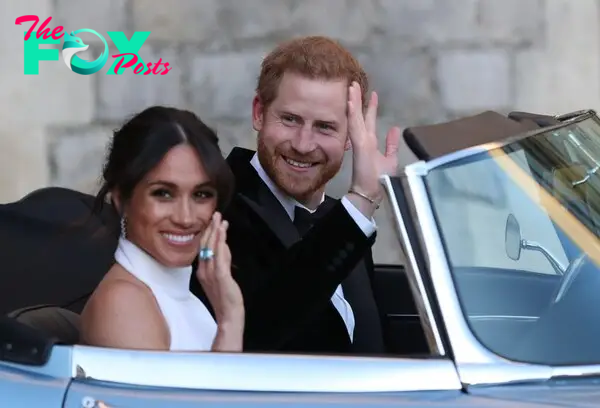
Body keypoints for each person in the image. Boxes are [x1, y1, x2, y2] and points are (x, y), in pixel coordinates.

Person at [191, 36, 400, 354]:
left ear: (350, 136)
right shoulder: (214, 206)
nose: (303, 144)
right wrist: (361, 201)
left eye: (325, 127)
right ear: (259, 113)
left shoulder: (341, 219)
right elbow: (262, 333)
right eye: (290, 120)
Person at [80, 106, 245, 352]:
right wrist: (230, 321)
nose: (186, 218)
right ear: (120, 200)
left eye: (201, 194)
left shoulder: (182, 298)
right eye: (163, 194)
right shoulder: (124, 304)